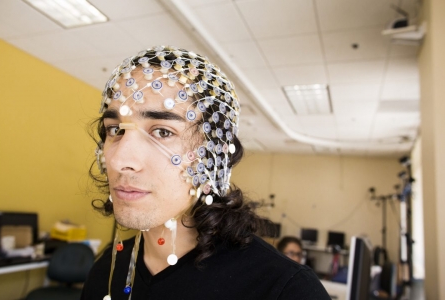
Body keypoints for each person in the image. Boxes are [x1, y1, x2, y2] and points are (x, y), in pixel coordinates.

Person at [81, 46, 329, 299]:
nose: (121, 159)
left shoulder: (285, 289)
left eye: (163, 132)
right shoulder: (106, 272)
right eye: (115, 129)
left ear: (213, 154)